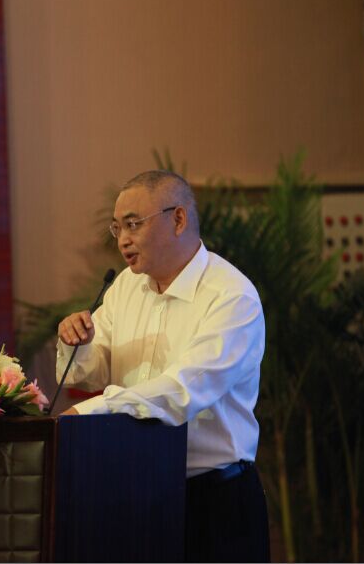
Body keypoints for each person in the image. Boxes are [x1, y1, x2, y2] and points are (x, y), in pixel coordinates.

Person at [55, 169, 270, 562]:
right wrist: (77, 343)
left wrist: (91, 412)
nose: (122, 239)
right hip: (134, 493)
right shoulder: (124, 287)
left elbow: (182, 390)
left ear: (179, 219)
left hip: (213, 500)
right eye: (117, 227)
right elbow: (87, 371)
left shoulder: (230, 296)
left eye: (133, 224)